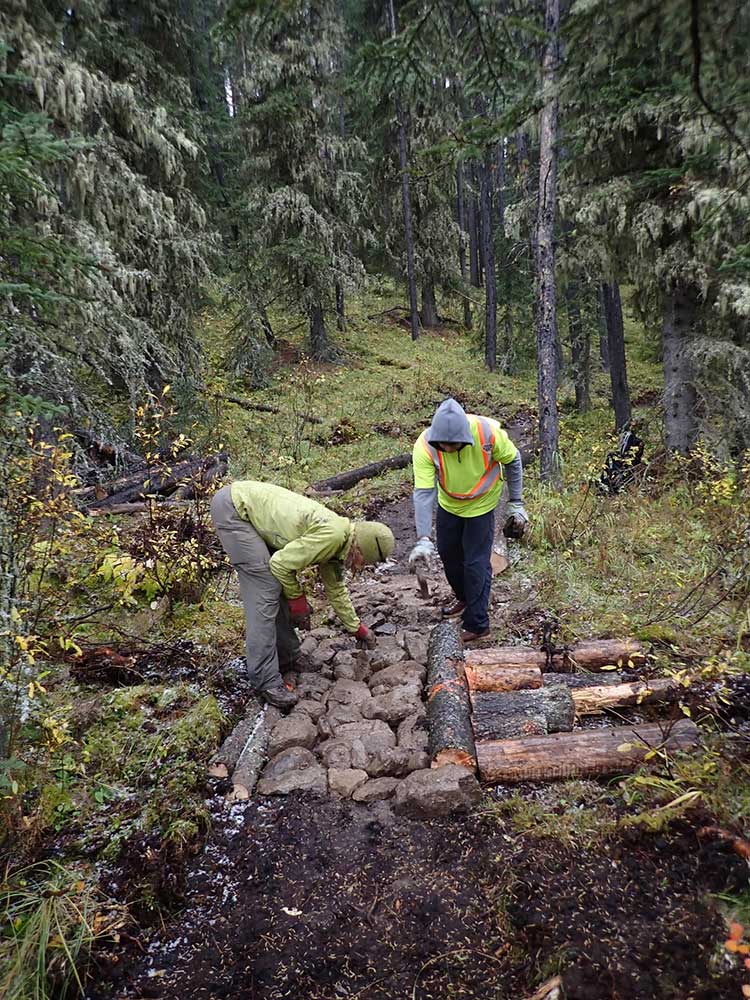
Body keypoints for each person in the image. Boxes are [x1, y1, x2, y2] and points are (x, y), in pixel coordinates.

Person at [211, 480, 395, 709]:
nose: (362, 566)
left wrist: (357, 628)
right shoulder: (333, 536)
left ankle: (289, 657)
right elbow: (280, 564)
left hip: (247, 510)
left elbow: (336, 591)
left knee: (276, 584)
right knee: (266, 588)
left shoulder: (339, 545)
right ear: (362, 550)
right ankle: (265, 680)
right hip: (235, 509)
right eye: (365, 562)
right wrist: (297, 600)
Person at [408, 398, 528, 643]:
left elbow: (513, 460)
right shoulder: (425, 446)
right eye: (444, 445)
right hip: (449, 503)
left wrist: (516, 503)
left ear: (465, 437)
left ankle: (478, 623)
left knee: (476, 563)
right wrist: (423, 538)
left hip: (482, 504)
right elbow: (423, 492)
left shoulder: (488, 434)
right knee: (449, 555)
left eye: (455, 445)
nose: (448, 449)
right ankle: (465, 598)